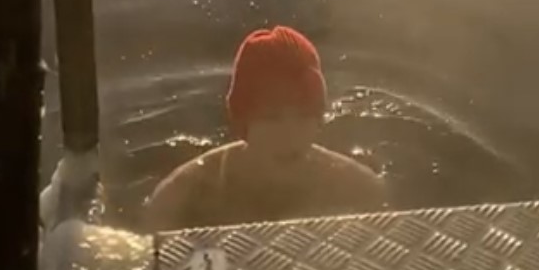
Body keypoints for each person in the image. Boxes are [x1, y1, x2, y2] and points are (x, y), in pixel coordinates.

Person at [143, 26, 386, 232]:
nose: (289, 134)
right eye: (272, 118)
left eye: (303, 116)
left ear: (319, 119)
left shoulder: (357, 187)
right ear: (243, 122)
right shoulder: (186, 192)